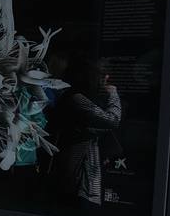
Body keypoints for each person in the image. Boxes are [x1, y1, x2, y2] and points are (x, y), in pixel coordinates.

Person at [51, 55, 122, 207]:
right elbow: (112, 120)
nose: (106, 78)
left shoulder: (80, 98)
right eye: (101, 74)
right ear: (87, 75)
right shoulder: (77, 99)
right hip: (76, 180)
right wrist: (113, 94)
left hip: (79, 178)